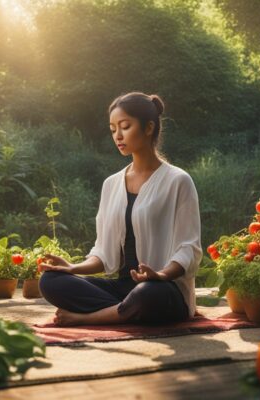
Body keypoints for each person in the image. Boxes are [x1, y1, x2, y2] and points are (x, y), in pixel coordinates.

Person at [38, 91, 203, 327]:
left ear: (148, 128)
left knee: (147, 295)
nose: (118, 135)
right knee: (51, 281)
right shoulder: (111, 184)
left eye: (125, 126)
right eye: (113, 129)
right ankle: (125, 311)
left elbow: (189, 249)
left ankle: (89, 318)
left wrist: (161, 275)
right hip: (123, 289)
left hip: (163, 289)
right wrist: (73, 268)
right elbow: (103, 253)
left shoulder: (178, 181)